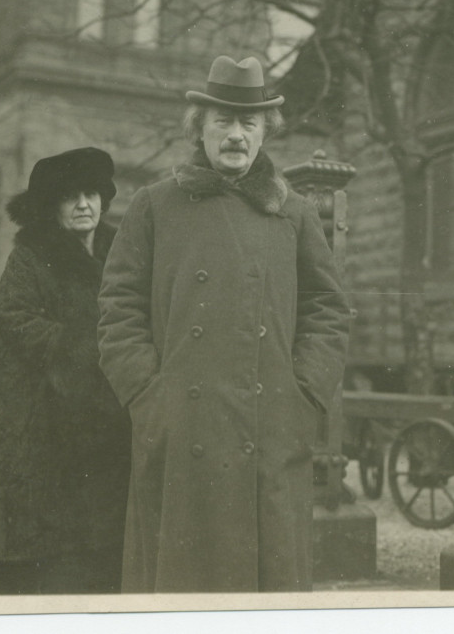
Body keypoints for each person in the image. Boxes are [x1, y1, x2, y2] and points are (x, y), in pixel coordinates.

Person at [97, 55, 350, 593]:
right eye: (223, 123)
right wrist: (147, 395)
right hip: (181, 431)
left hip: (269, 431)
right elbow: (118, 307)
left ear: (264, 134)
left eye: (248, 124)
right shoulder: (154, 205)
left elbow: (328, 309)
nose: (235, 136)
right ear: (201, 129)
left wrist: (303, 394)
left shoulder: (294, 213)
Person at [0, 147, 131, 595]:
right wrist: (83, 348)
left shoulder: (120, 255)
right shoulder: (31, 256)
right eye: (70, 197)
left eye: (91, 194)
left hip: (104, 424)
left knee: (100, 548)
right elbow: (15, 316)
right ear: (52, 206)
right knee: (45, 560)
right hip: (43, 427)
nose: (84, 204)